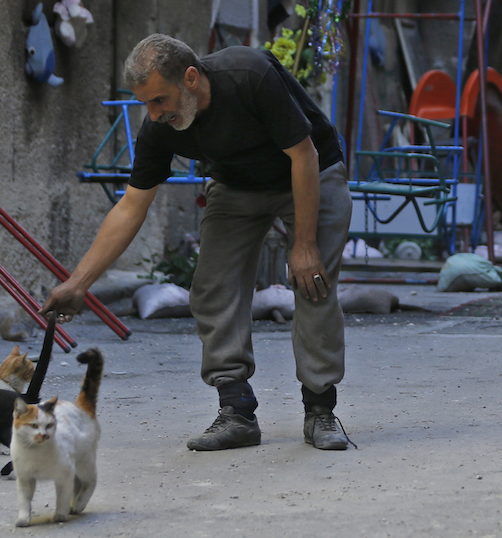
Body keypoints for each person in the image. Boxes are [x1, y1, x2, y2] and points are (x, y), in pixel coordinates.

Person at [41, 35, 354, 451]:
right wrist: (78, 283)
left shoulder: (248, 74)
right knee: (211, 287)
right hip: (237, 184)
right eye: (146, 104)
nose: (153, 114)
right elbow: (131, 207)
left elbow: (303, 155)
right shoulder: (160, 127)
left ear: (191, 78)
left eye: (159, 100)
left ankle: (320, 410)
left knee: (311, 281)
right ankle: (236, 411)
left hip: (310, 172)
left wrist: (305, 244)